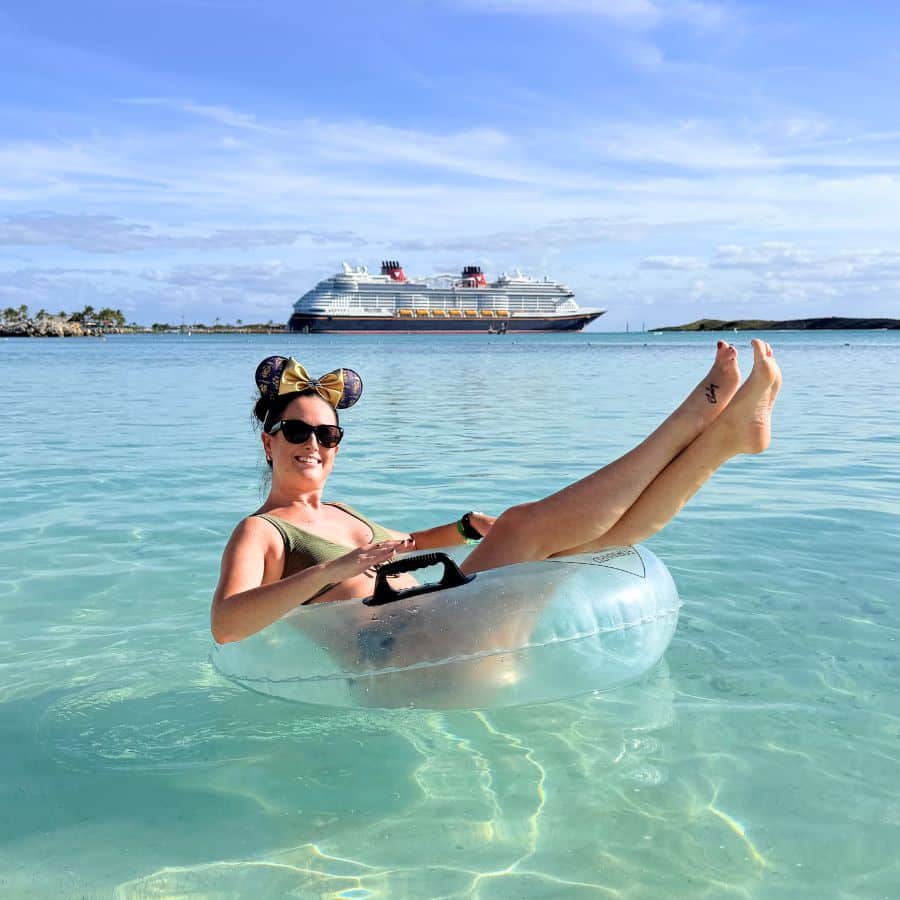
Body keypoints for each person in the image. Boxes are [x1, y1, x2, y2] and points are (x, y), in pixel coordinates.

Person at [211, 340, 781, 645]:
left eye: (327, 433)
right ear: (268, 443)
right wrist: (331, 572)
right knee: (524, 526)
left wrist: (462, 530)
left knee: (592, 541)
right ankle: (691, 418)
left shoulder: (339, 513)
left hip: (442, 623)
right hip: (403, 653)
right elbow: (227, 623)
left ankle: (725, 440)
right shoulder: (262, 531)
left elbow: (405, 547)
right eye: (297, 431)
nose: (314, 443)